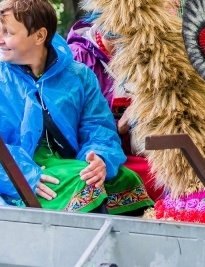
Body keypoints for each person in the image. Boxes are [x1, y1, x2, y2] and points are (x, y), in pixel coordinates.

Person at [0, 0, 153, 214]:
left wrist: (99, 158)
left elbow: (99, 128)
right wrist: (22, 175)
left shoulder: (78, 76)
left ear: (39, 36)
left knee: (126, 179)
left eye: (8, 32)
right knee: (84, 186)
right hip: (17, 168)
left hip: (69, 162)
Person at [67, 20, 163, 201]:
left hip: (137, 150)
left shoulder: (143, 53)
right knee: (156, 178)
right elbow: (80, 127)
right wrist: (119, 127)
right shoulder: (78, 59)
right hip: (98, 155)